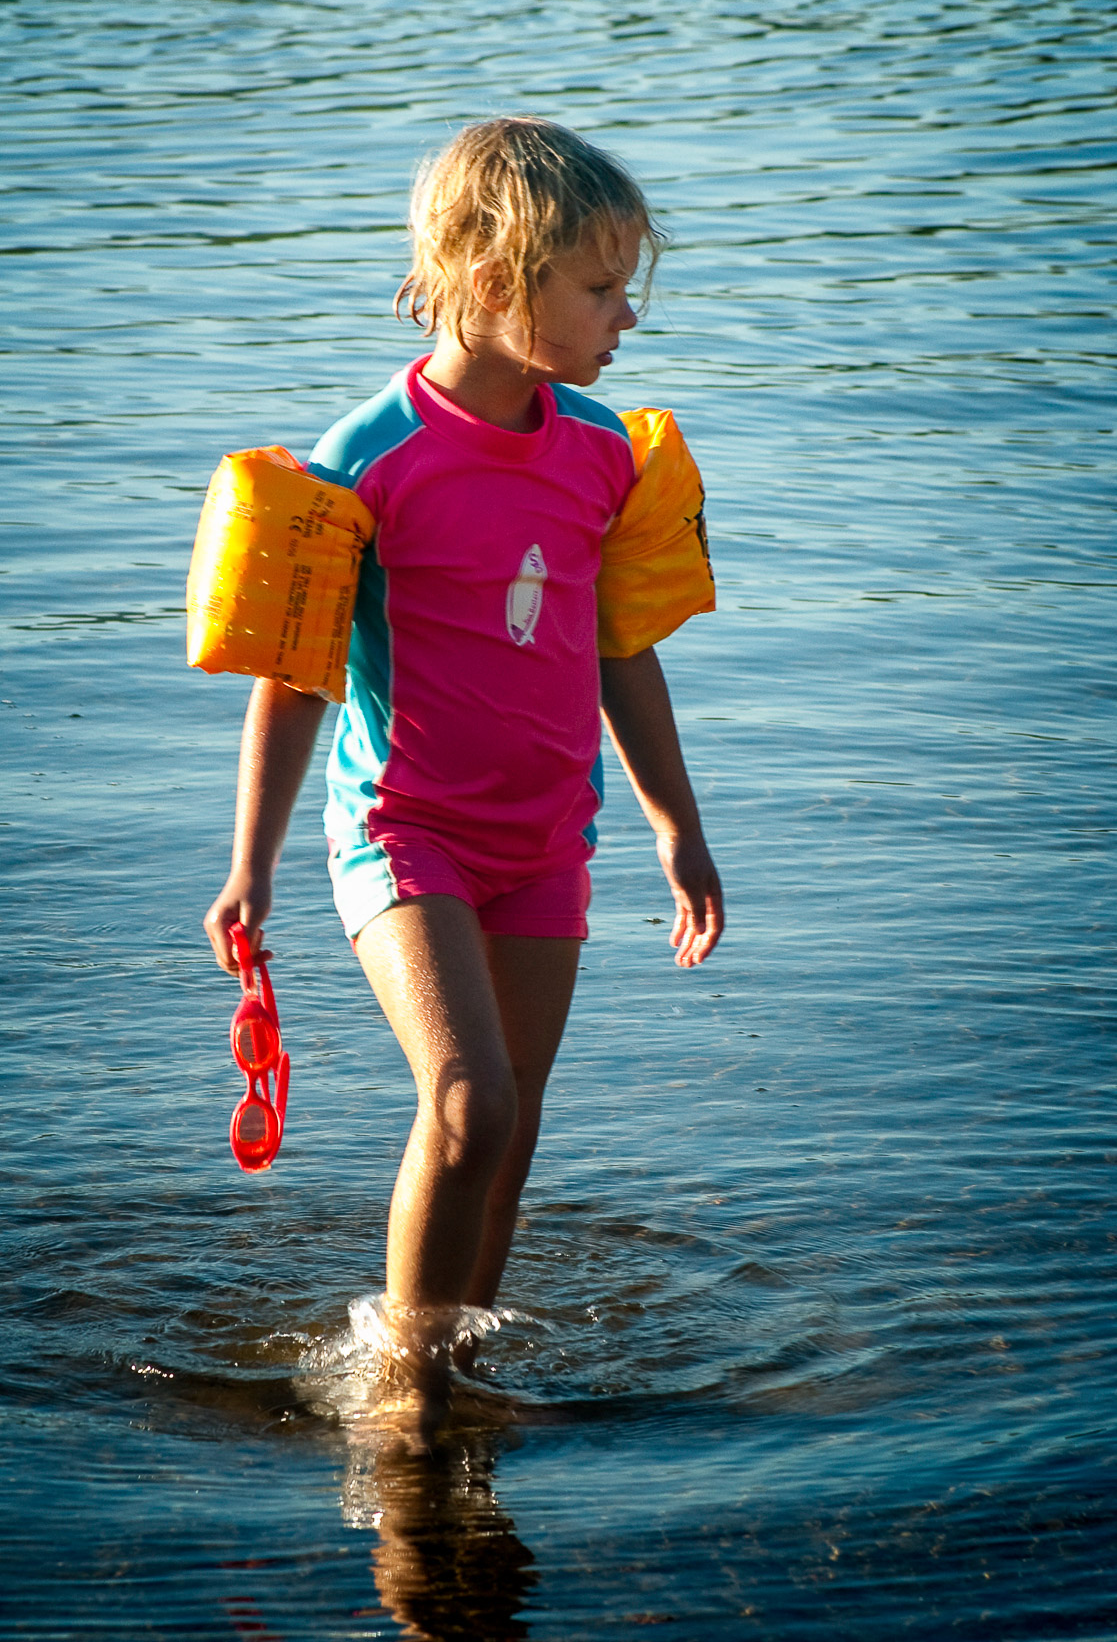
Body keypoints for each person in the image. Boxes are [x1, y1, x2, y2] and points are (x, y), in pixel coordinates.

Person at [203, 116, 723, 1428]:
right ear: (496, 282)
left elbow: (620, 649)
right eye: (599, 290)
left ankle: (453, 1374)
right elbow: (295, 678)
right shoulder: (368, 461)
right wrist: (251, 866)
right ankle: (399, 1385)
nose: (626, 318)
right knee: (468, 1104)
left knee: (513, 1129)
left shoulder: (604, 452)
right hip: (405, 831)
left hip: (545, 839)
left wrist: (675, 825)